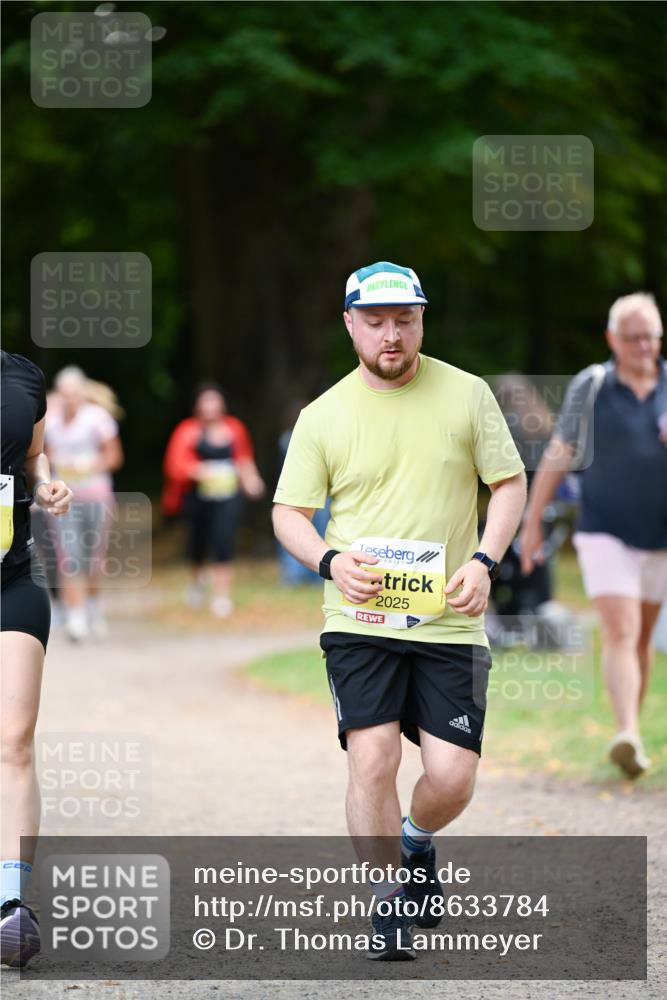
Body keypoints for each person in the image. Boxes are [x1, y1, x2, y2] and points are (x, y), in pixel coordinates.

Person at [272, 261, 526, 960]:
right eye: (376, 321)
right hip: (359, 621)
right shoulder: (322, 415)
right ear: (350, 324)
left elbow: (507, 483)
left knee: (451, 776)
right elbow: (287, 512)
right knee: (373, 757)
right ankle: (386, 902)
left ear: (421, 320)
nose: (391, 335)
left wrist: (484, 561)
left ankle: (414, 843)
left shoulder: (467, 395)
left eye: (404, 320)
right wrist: (328, 561)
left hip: (449, 620)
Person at [519, 292, 667, 778]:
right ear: (612, 339)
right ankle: (625, 731)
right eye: (633, 337)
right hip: (604, 528)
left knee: (642, 638)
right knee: (621, 630)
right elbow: (559, 452)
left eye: (650, 336)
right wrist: (532, 520)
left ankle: (633, 734)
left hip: (659, 536)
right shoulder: (594, 384)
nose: (643, 346)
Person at [1, 349, 73, 968]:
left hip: (12, 578)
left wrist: (45, 482)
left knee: (14, 739)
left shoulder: (20, 376)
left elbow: (30, 457)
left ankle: (8, 904)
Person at [162, 382, 265, 617]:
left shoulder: (234, 429)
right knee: (198, 543)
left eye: (214, 401)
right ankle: (198, 583)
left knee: (223, 541)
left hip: (227, 498)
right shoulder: (187, 431)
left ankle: (222, 596)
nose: (210, 406)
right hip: (198, 499)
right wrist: (200, 471)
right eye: (205, 401)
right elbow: (175, 465)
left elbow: (244, 458)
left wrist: (251, 480)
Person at [44, 367, 124, 641]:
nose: (69, 400)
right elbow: (43, 456)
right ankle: (75, 617)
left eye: (73, 394)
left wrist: (88, 465)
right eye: (64, 394)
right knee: (68, 555)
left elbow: (114, 457)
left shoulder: (97, 419)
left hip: (95, 494)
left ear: (82, 393)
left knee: (93, 557)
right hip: (62, 498)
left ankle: (93, 607)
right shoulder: (50, 420)